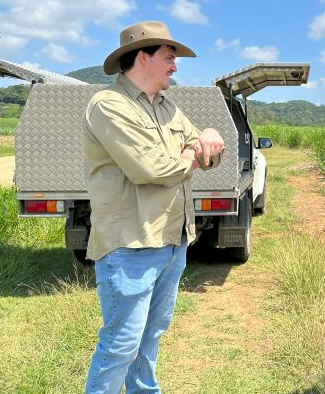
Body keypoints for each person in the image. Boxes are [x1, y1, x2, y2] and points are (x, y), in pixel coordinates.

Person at [83, 20, 224, 393]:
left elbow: (209, 153)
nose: (174, 66)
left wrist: (208, 135)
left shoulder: (168, 108)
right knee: (120, 347)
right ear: (142, 57)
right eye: (169, 57)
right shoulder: (108, 105)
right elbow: (151, 169)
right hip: (130, 246)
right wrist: (191, 156)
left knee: (150, 338)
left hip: (171, 240)